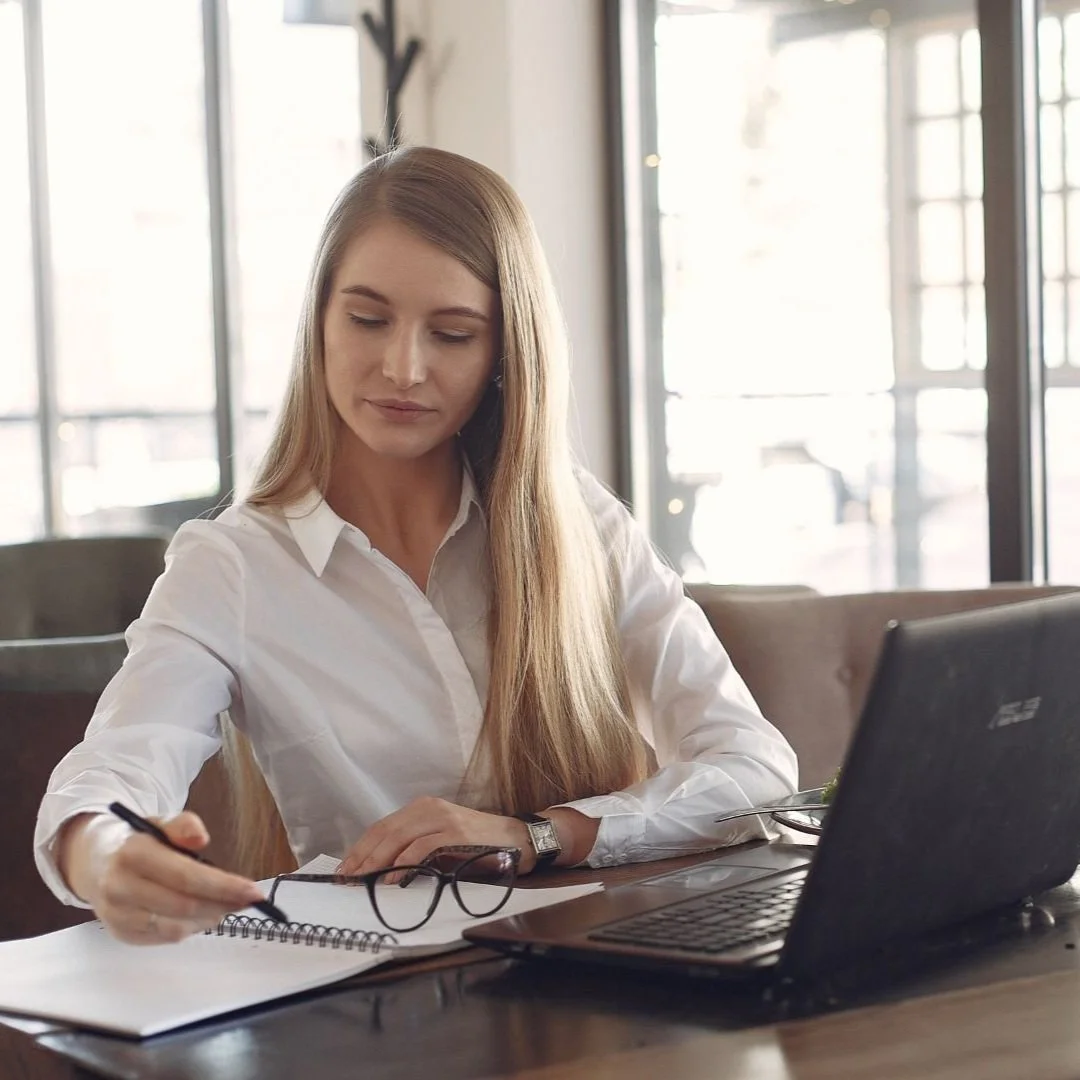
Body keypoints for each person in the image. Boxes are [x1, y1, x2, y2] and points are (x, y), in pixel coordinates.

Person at [35, 146, 798, 945]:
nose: (403, 368)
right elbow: (115, 769)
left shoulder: (582, 527)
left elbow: (754, 769)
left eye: (453, 333)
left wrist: (539, 835)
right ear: (320, 322)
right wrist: (107, 853)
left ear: (504, 354)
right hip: (381, 998)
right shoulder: (232, 566)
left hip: (600, 972)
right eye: (368, 319)